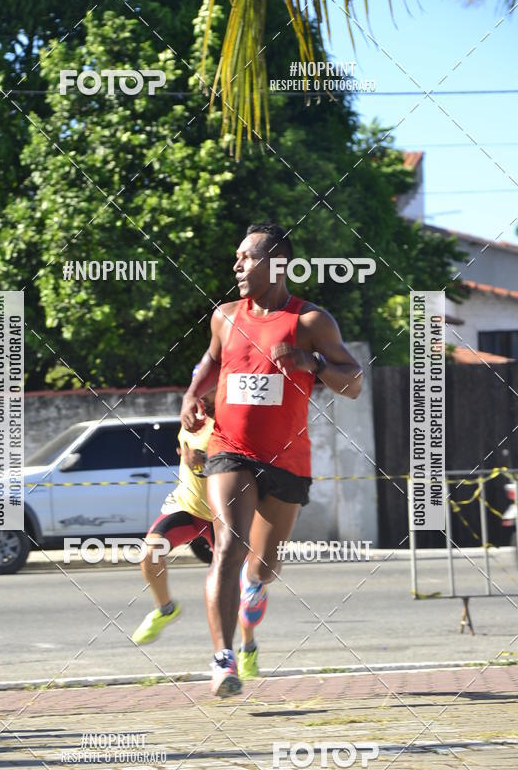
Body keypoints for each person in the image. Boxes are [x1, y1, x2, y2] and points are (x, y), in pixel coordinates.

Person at [181, 223, 363, 697]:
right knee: (229, 547)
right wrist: (192, 393)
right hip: (230, 449)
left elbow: (354, 380)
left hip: (287, 459)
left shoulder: (310, 322)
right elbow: (212, 361)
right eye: (236, 257)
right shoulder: (225, 316)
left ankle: (256, 586)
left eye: (246, 257)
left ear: (276, 264)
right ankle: (223, 660)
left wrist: (314, 365)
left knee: (263, 564)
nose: (236, 265)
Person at [131, 372, 216, 645]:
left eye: (208, 387)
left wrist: (203, 464)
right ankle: (166, 609)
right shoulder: (191, 419)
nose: (202, 394)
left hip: (221, 517)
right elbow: (190, 458)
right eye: (198, 387)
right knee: (149, 553)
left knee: (232, 585)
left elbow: (239, 470)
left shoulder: (230, 423)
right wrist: (189, 459)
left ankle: (243, 648)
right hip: (187, 508)